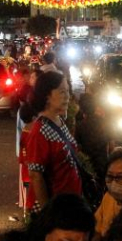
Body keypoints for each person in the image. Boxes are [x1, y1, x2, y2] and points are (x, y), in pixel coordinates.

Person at [25, 71, 82, 211]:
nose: (68, 97)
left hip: (72, 202)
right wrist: (48, 213)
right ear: (47, 96)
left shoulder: (59, 121)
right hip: (58, 208)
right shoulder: (39, 131)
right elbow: (35, 175)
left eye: (68, 91)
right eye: (62, 92)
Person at [75, 93, 113, 185]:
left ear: (82, 108)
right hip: (103, 163)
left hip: (88, 166)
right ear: (95, 106)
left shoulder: (79, 126)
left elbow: (77, 148)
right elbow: (111, 145)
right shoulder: (104, 122)